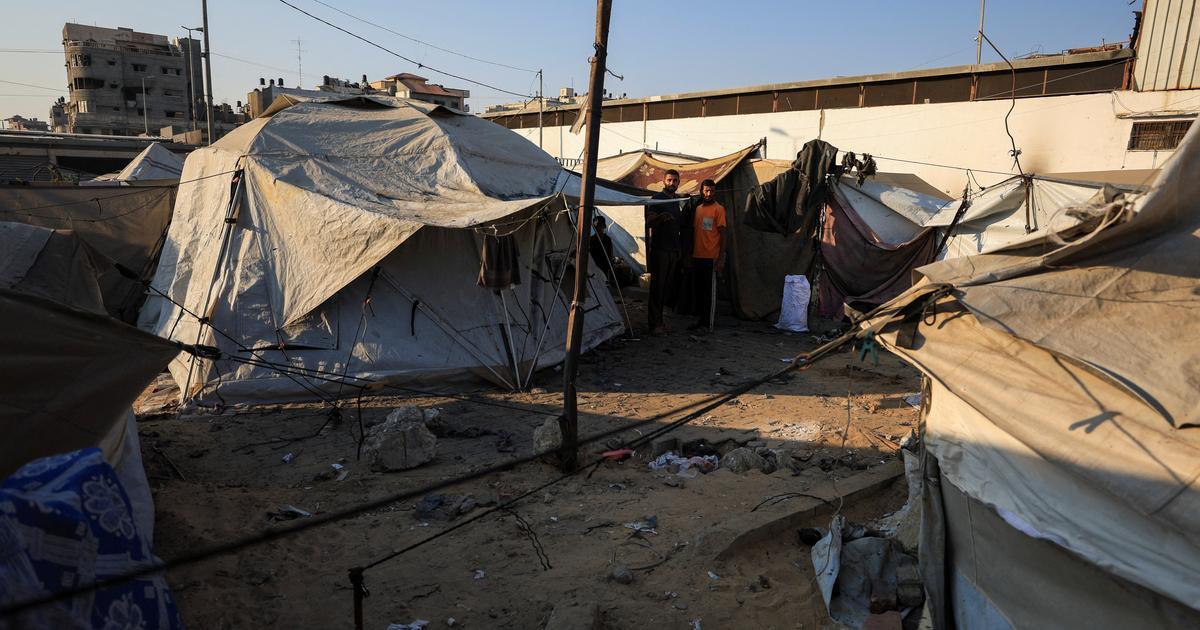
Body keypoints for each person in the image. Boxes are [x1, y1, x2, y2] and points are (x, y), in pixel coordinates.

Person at [644, 169, 684, 334]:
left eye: (675, 181)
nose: (672, 183)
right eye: (669, 180)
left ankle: (659, 322)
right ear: (664, 181)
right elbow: (649, 223)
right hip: (660, 250)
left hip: (673, 250)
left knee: (666, 289)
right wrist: (661, 217)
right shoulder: (657, 199)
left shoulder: (677, 200)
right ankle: (654, 325)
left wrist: (679, 249)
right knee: (657, 289)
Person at [688, 179, 726, 331]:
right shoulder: (698, 209)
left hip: (711, 257)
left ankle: (708, 325)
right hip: (697, 256)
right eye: (706, 191)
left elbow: (724, 234)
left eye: (711, 191)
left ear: (715, 192)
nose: (709, 194)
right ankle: (700, 320)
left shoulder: (719, 209)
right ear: (701, 192)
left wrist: (721, 258)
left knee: (709, 293)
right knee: (699, 291)